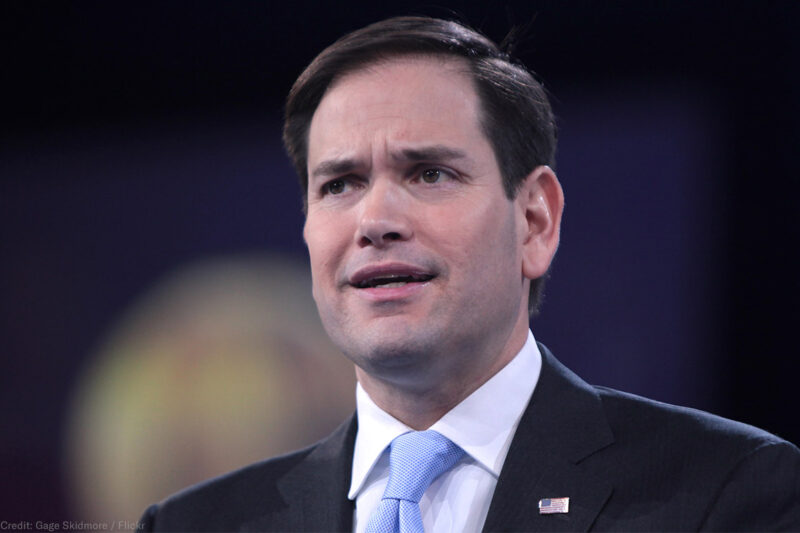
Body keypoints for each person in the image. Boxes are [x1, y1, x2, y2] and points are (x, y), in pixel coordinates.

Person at [139, 16, 800, 532]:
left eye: (429, 173)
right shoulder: (194, 524)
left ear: (535, 220)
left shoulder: (727, 490)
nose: (375, 219)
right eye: (339, 183)